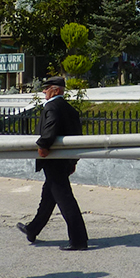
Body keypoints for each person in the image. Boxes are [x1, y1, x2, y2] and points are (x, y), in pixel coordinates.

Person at [16, 76, 89, 249]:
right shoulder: (71, 109)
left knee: (65, 200)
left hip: (53, 161)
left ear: (56, 90)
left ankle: (79, 240)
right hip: (64, 161)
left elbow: (51, 128)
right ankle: (33, 229)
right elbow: (76, 136)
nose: (43, 91)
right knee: (48, 196)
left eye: (46, 88)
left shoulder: (52, 107)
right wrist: (73, 160)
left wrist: (43, 145)